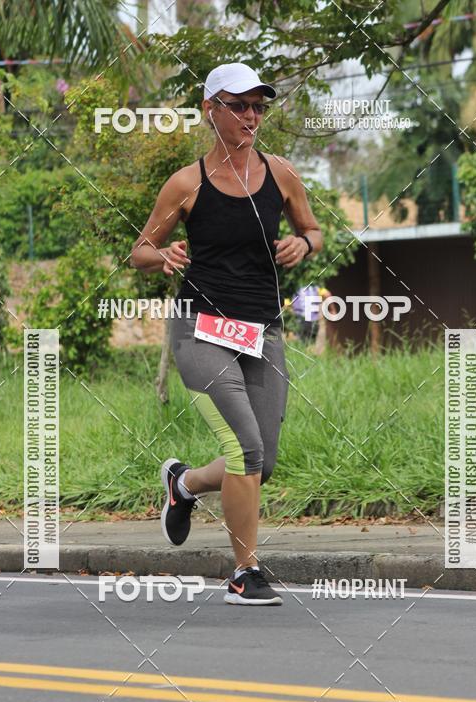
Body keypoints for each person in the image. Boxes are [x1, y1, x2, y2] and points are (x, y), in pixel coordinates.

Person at [131, 62, 323, 606]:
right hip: (201, 330)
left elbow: (313, 229)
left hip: (262, 330)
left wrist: (304, 245)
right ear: (210, 110)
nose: (251, 116)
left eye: (259, 106)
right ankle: (244, 573)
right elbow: (140, 250)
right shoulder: (186, 183)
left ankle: (183, 484)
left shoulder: (281, 173)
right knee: (244, 449)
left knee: (264, 458)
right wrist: (161, 254)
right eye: (239, 105)